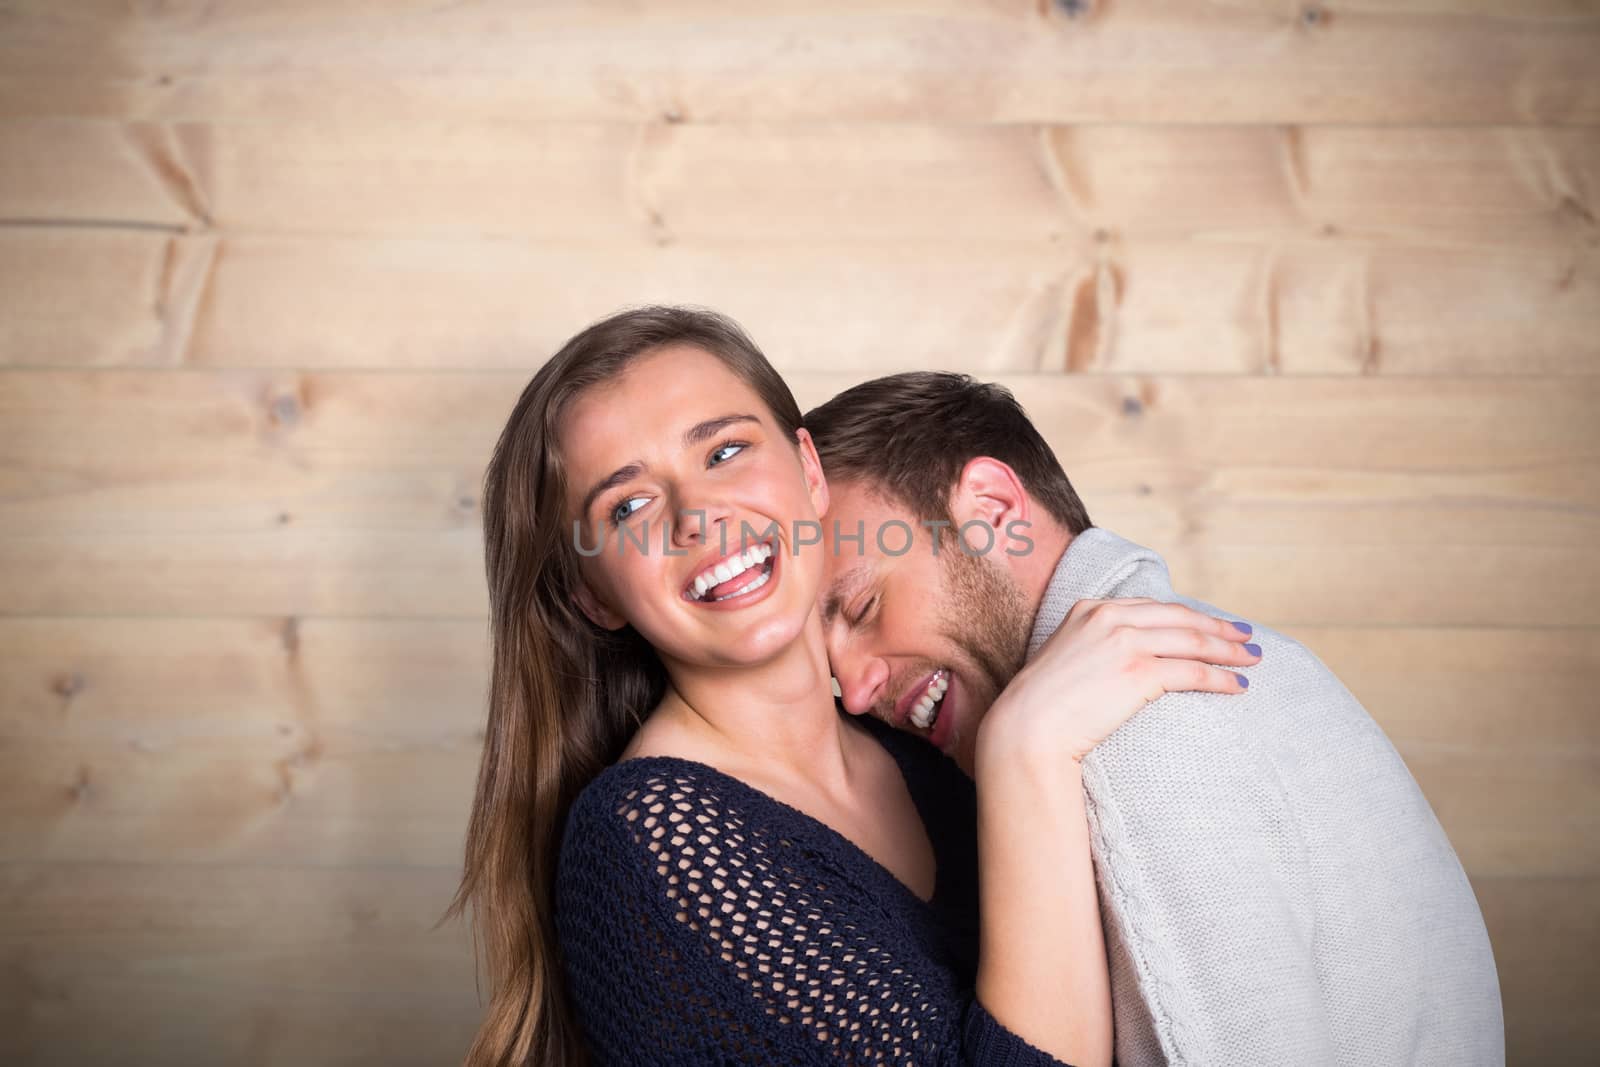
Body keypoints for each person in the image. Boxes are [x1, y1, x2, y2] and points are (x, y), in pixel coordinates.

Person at [446, 307, 1262, 1067]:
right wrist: (1028, 747)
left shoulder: (921, 748)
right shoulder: (648, 835)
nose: (696, 513)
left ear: (809, 472)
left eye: (725, 452)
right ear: (591, 593)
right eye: (627, 506)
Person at [804, 372, 1506, 1066]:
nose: (857, 693)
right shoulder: (1216, 658)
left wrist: (1024, 746)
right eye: (830, 667)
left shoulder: (1138, 743)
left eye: (862, 606)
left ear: (991, 507)